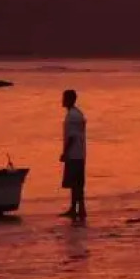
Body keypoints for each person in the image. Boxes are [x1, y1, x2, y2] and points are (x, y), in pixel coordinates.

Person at [60, 89, 87, 220]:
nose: (62, 100)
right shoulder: (77, 114)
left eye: (64, 98)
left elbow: (72, 137)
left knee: (76, 184)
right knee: (76, 184)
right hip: (79, 154)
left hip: (74, 154)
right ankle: (76, 208)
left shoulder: (72, 116)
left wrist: (65, 153)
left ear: (70, 99)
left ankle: (78, 209)